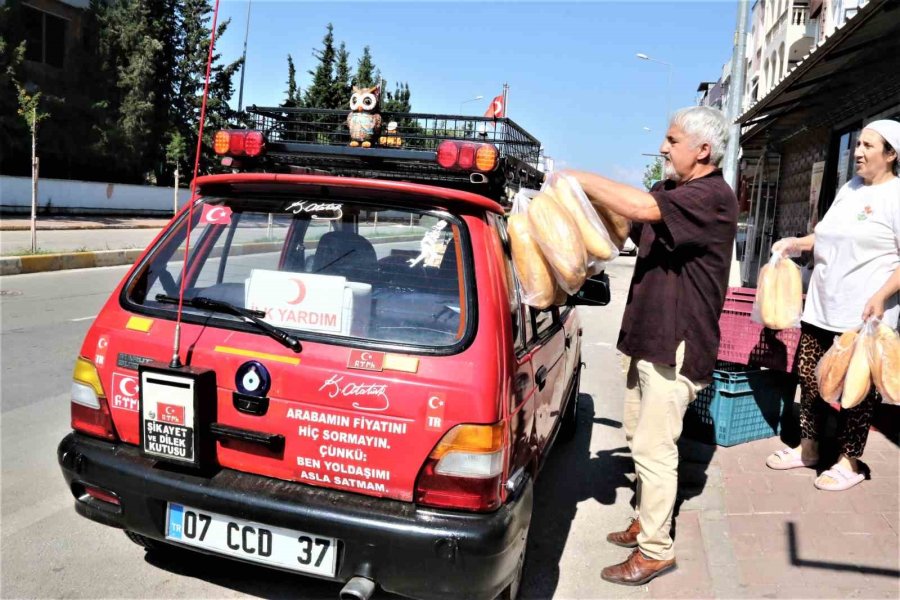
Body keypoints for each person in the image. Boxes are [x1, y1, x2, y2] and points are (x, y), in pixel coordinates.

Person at [565, 106, 738, 586]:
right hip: (648, 338)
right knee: (640, 439)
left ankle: (656, 550)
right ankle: (647, 518)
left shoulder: (712, 196)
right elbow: (628, 222)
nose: (663, 148)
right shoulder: (672, 192)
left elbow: (642, 209)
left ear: (702, 150)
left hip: (677, 344)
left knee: (656, 449)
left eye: (672, 140)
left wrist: (575, 177)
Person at [765, 119, 900, 491]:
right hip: (822, 307)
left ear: (891, 154)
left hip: (863, 316)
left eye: (868, 146)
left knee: (855, 391)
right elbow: (823, 235)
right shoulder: (850, 189)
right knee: (810, 380)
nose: (857, 152)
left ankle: (848, 462)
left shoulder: (896, 196)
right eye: (858, 144)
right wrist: (795, 242)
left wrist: (880, 296)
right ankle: (809, 448)